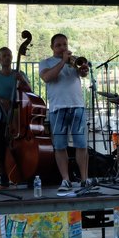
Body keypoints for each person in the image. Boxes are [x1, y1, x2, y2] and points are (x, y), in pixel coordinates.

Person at [39, 33, 97, 196]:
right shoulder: (46, 63)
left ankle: (84, 179)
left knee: (81, 144)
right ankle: (66, 179)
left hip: (77, 106)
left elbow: (83, 74)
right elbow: (47, 77)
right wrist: (63, 61)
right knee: (60, 145)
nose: (62, 47)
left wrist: (83, 69)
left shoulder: (74, 61)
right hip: (58, 108)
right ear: (52, 47)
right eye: (58, 45)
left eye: (64, 44)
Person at [0, 46, 29, 187]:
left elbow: (29, 91)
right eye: (4, 55)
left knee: (20, 149)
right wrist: (3, 101)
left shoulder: (19, 74)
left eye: (9, 55)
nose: (7, 58)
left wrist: (22, 80)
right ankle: (3, 177)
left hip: (17, 119)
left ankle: (22, 175)